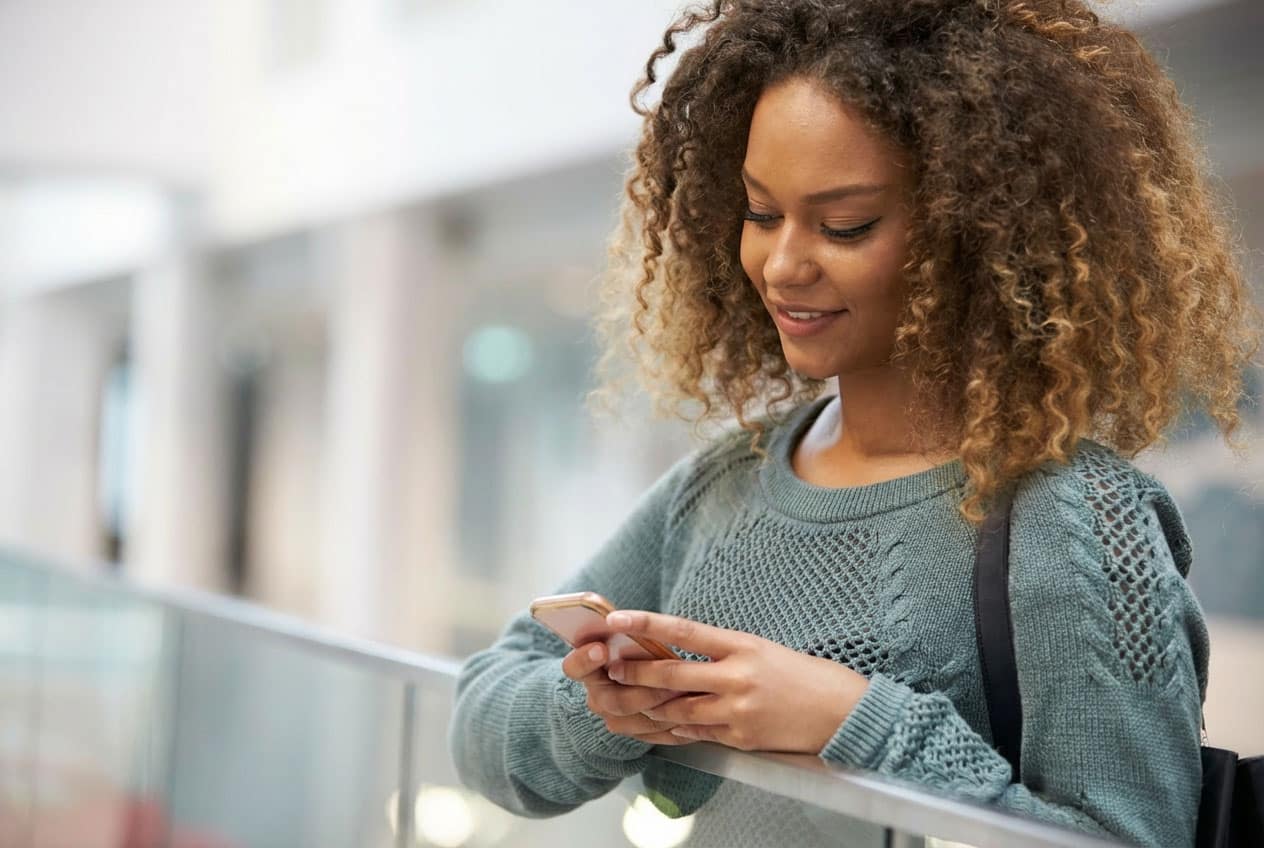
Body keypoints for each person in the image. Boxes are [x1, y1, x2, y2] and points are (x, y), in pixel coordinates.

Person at [449, 1, 1258, 845]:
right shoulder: (725, 483)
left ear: (975, 234)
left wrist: (853, 718)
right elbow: (484, 717)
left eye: (845, 225)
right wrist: (618, 706)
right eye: (762, 213)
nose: (784, 263)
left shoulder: (1081, 519)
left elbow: (1131, 836)